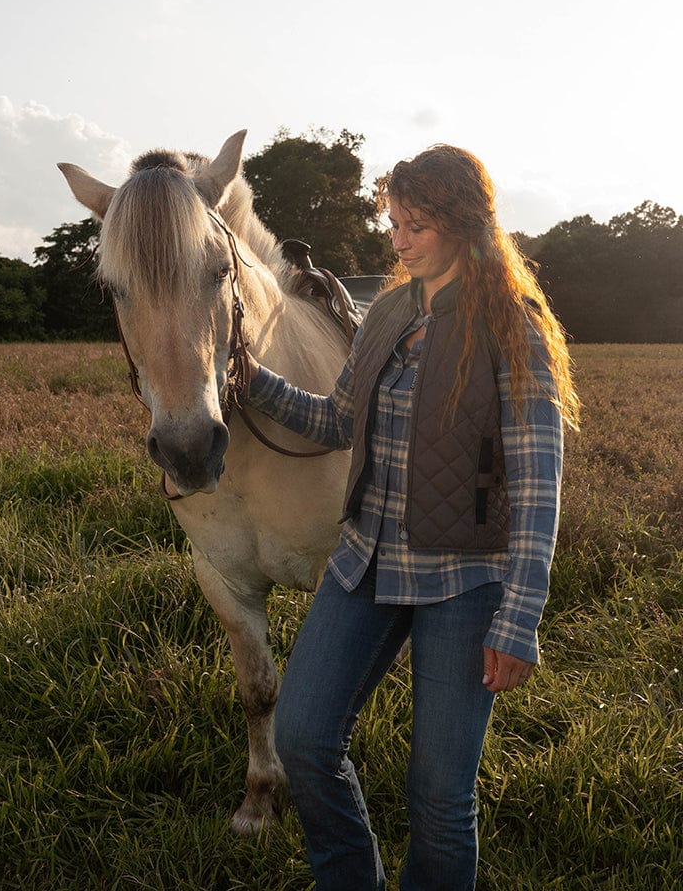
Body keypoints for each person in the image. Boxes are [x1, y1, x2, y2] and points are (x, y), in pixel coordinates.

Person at [244, 144, 580, 891]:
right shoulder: (389, 310)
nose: (396, 241)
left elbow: (537, 483)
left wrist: (519, 615)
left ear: (462, 223)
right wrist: (250, 379)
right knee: (301, 738)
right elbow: (336, 420)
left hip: (465, 580)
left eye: (415, 225)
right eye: (394, 222)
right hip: (362, 562)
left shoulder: (511, 324)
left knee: (439, 794)